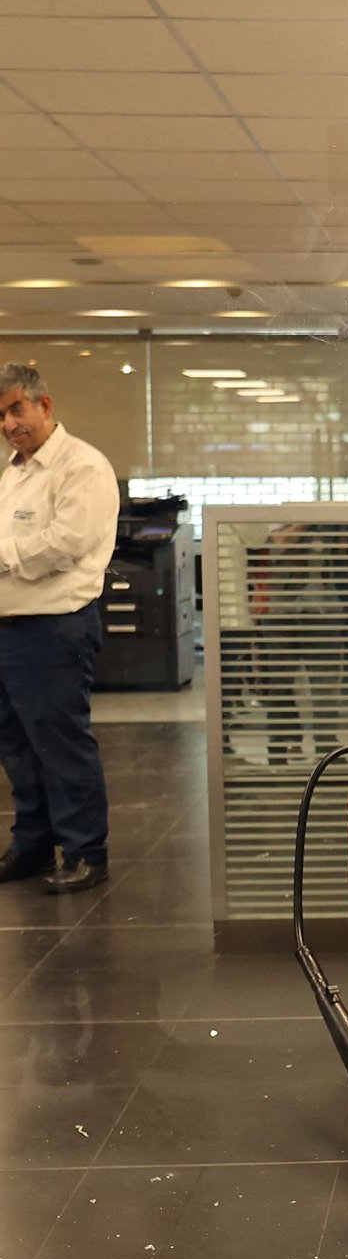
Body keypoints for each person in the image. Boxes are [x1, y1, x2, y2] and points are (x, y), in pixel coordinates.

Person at [0, 363, 120, 894]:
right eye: (1, 415)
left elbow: (64, 543)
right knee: (17, 744)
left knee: (59, 741)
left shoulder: (82, 466)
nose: (7, 423)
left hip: (55, 626)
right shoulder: (15, 471)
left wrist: (2, 558)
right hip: (9, 625)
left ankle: (85, 851)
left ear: (44, 406)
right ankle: (32, 843)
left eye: (15, 409)